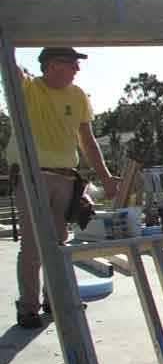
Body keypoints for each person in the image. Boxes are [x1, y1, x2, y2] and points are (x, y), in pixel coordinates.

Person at [6, 47, 120, 329]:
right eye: (72, 64)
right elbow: (8, 62)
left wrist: (106, 177)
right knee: (33, 245)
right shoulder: (28, 89)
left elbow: (88, 141)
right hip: (32, 176)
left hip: (66, 177)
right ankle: (28, 307)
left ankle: (54, 299)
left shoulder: (77, 95)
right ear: (52, 65)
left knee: (59, 242)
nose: (77, 70)